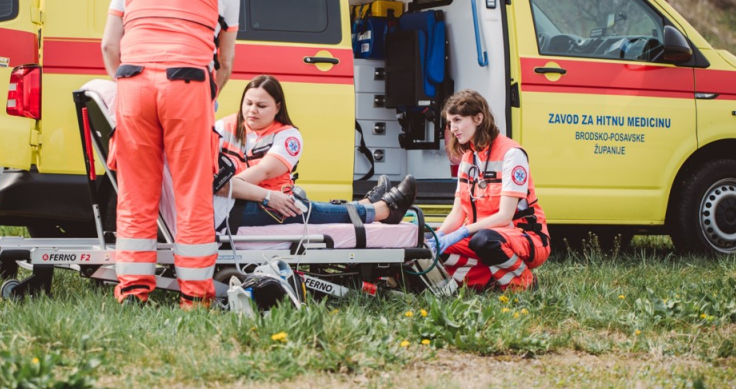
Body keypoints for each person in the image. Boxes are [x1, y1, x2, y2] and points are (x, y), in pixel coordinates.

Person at [101, 0, 239, 308]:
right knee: (191, 192)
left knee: (135, 192)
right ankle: (194, 296)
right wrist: (208, 95)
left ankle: (132, 290)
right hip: (188, 84)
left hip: (133, 82)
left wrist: (125, 83)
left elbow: (110, 45)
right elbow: (225, 61)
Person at [213, 75, 416, 230]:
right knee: (300, 207)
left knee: (297, 205)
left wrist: (232, 188)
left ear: (277, 107)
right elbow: (220, 186)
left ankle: (370, 208)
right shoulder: (224, 127)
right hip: (247, 202)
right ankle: (379, 209)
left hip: (260, 201)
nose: (252, 111)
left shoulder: (288, 136)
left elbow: (263, 172)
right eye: (248, 104)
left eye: (261, 105)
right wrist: (262, 195)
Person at [431, 90, 550, 291]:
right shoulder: (468, 158)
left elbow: (505, 216)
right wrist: (439, 236)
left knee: (484, 241)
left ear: (478, 118)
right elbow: (458, 212)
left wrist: (462, 232)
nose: (453, 128)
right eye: (450, 123)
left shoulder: (512, 154)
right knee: (433, 251)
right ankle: (491, 281)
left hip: (524, 237)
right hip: (480, 236)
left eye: (458, 120)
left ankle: (525, 284)